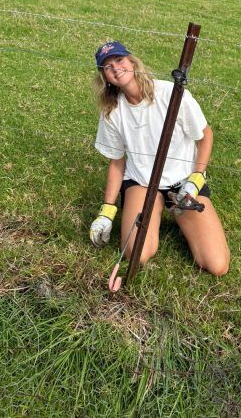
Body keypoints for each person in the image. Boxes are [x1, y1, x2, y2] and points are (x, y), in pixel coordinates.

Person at [89, 40, 229, 277]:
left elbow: (205, 136)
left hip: (184, 185)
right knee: (138, 254)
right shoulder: (112, 111)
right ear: (105, 76)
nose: (115, 68)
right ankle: (153, 208)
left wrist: (196, 178)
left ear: (133, 62)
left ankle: (179, 213)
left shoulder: (171, 94)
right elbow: (117, 162)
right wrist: (107, 211)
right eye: (107, 66)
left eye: (119, 60)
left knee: (217, 265)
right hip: (143, 183)